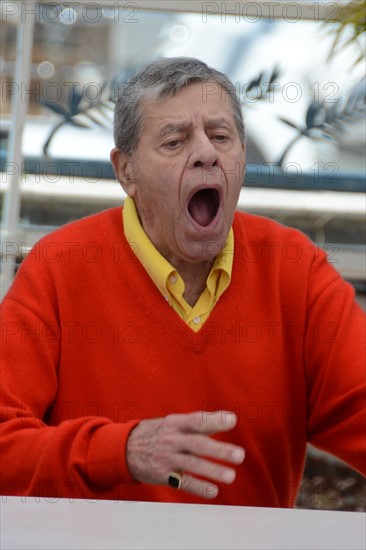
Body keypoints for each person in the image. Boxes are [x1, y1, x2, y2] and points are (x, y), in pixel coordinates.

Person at [1, 57, 365, 507]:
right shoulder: (59, 266)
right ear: (126, 171)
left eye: (220, 136)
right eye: (175, 141)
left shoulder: (295, 268)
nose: (206, 153)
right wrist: (121, 451)